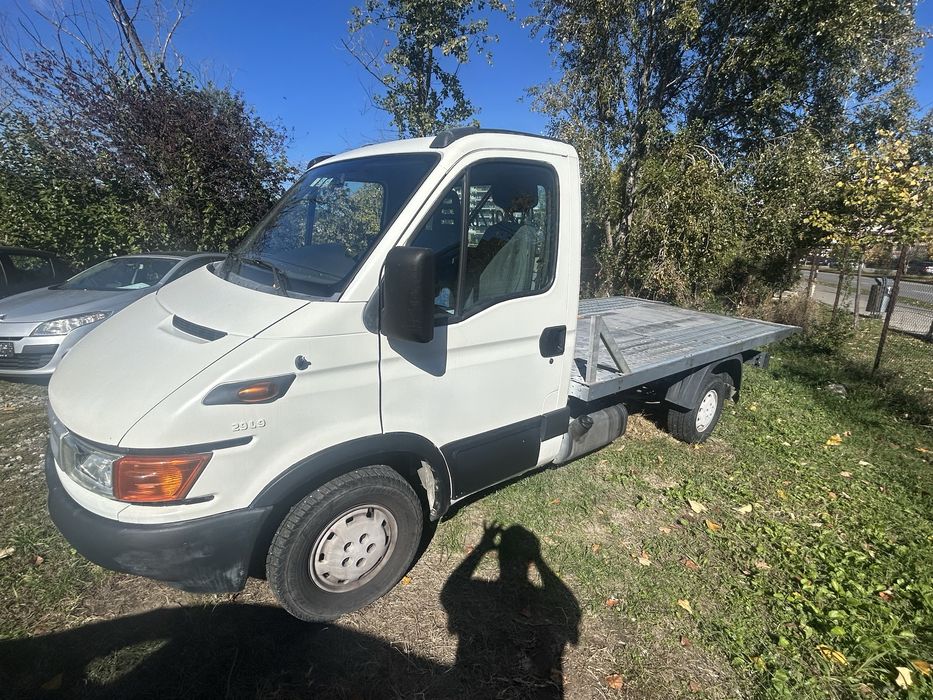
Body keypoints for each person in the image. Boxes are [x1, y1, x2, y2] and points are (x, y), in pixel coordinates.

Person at [441, 522, 581, 698]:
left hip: (476, 684)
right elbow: (569, 607)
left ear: (499, 557)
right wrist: (539, 560)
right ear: (529, 561)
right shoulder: (538, 599)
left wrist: (482, 548)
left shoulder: (485, 591)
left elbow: (450, 590)